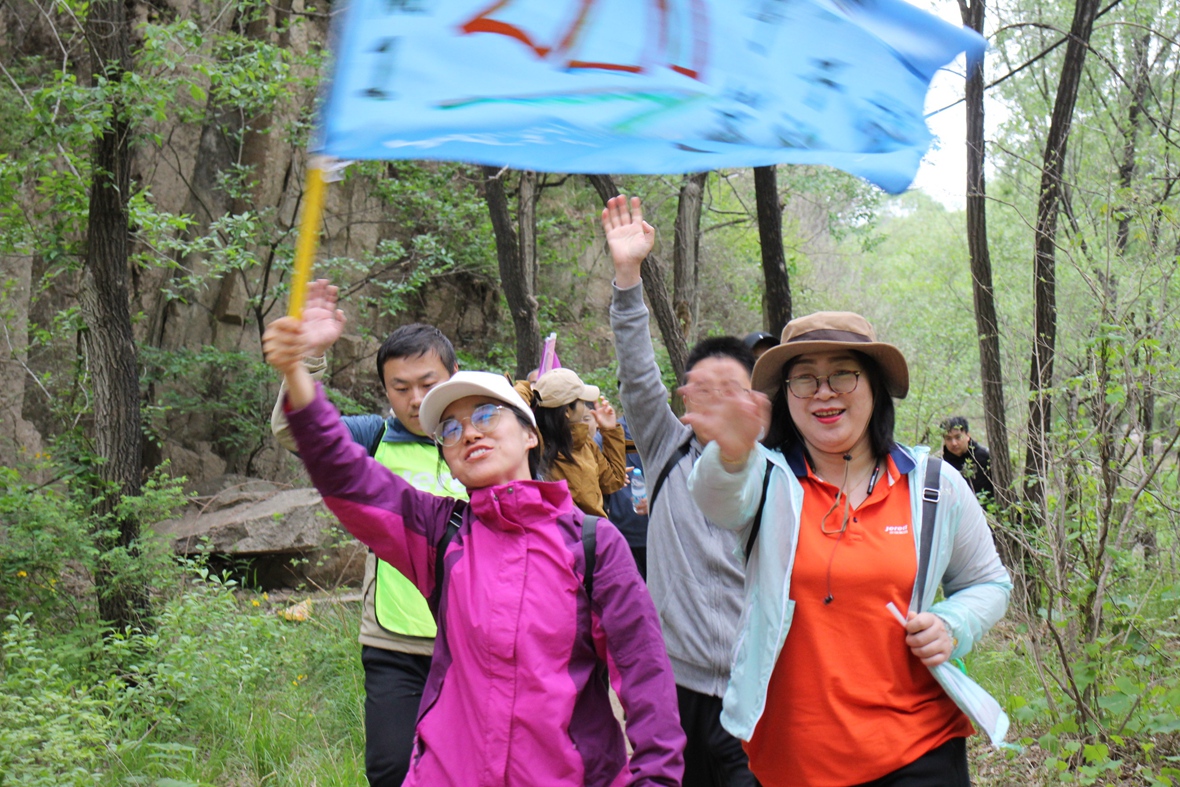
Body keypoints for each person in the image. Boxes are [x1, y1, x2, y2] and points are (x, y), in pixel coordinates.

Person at [264, 317, 686, 786]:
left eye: (486, 415)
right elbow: (344, 471)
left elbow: (644, 671)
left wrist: (658, 779)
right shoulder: (440, 535)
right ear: (447, 458)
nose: (467, 433)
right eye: (450, 428)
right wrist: (298, 370)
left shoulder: (592, 544)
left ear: (530, 434)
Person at [682, 310, 1012, 787]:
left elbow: (989, 583)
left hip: (921, 747)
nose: (823, 392)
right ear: (786, 395)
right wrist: (731, 454)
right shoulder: (766, 479)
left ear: (874, 385)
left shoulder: (933, 486)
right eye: (804, 378)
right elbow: (716, 498)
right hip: (793, 761)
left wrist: (952, 624)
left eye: (842, 373)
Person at [269, 281, 463, 787]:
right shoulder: (374, 437)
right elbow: (295, 431)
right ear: (385, 389)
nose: (416, 399)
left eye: (428, 383)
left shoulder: (482, 440)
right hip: (394, 644)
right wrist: (305, 362)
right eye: (401, 387)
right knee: (391, 768)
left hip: (473, 643)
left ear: (453, 377)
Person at [603, 195, 760, 787]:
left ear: (753, 402)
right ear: (684, 399)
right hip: (674, 688)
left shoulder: (777, 474)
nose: (716, 399)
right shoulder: (665, 448)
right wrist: (627, 277)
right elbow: (637, 371)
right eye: (702, 388)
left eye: (731, 388)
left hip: (754, 690)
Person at [524, 368, 628, 518]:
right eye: (581, 401)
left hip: (594, 529)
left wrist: (610, 431)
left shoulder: (583, 442)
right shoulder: (534, 446)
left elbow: (613, 480)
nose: (585, 407)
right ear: (567, 411)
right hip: (569, 530)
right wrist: (528, 393)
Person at [603, 416, 650, 581]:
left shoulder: (667, 429)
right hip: (623, 534)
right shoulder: (611, 432)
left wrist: (658, 499)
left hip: (659, 534)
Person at [940, 415, 995, 501]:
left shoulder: (985, 458)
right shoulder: (942, 465)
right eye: (948, 439)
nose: (954, 443)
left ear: (968, 435)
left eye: (958, 437)